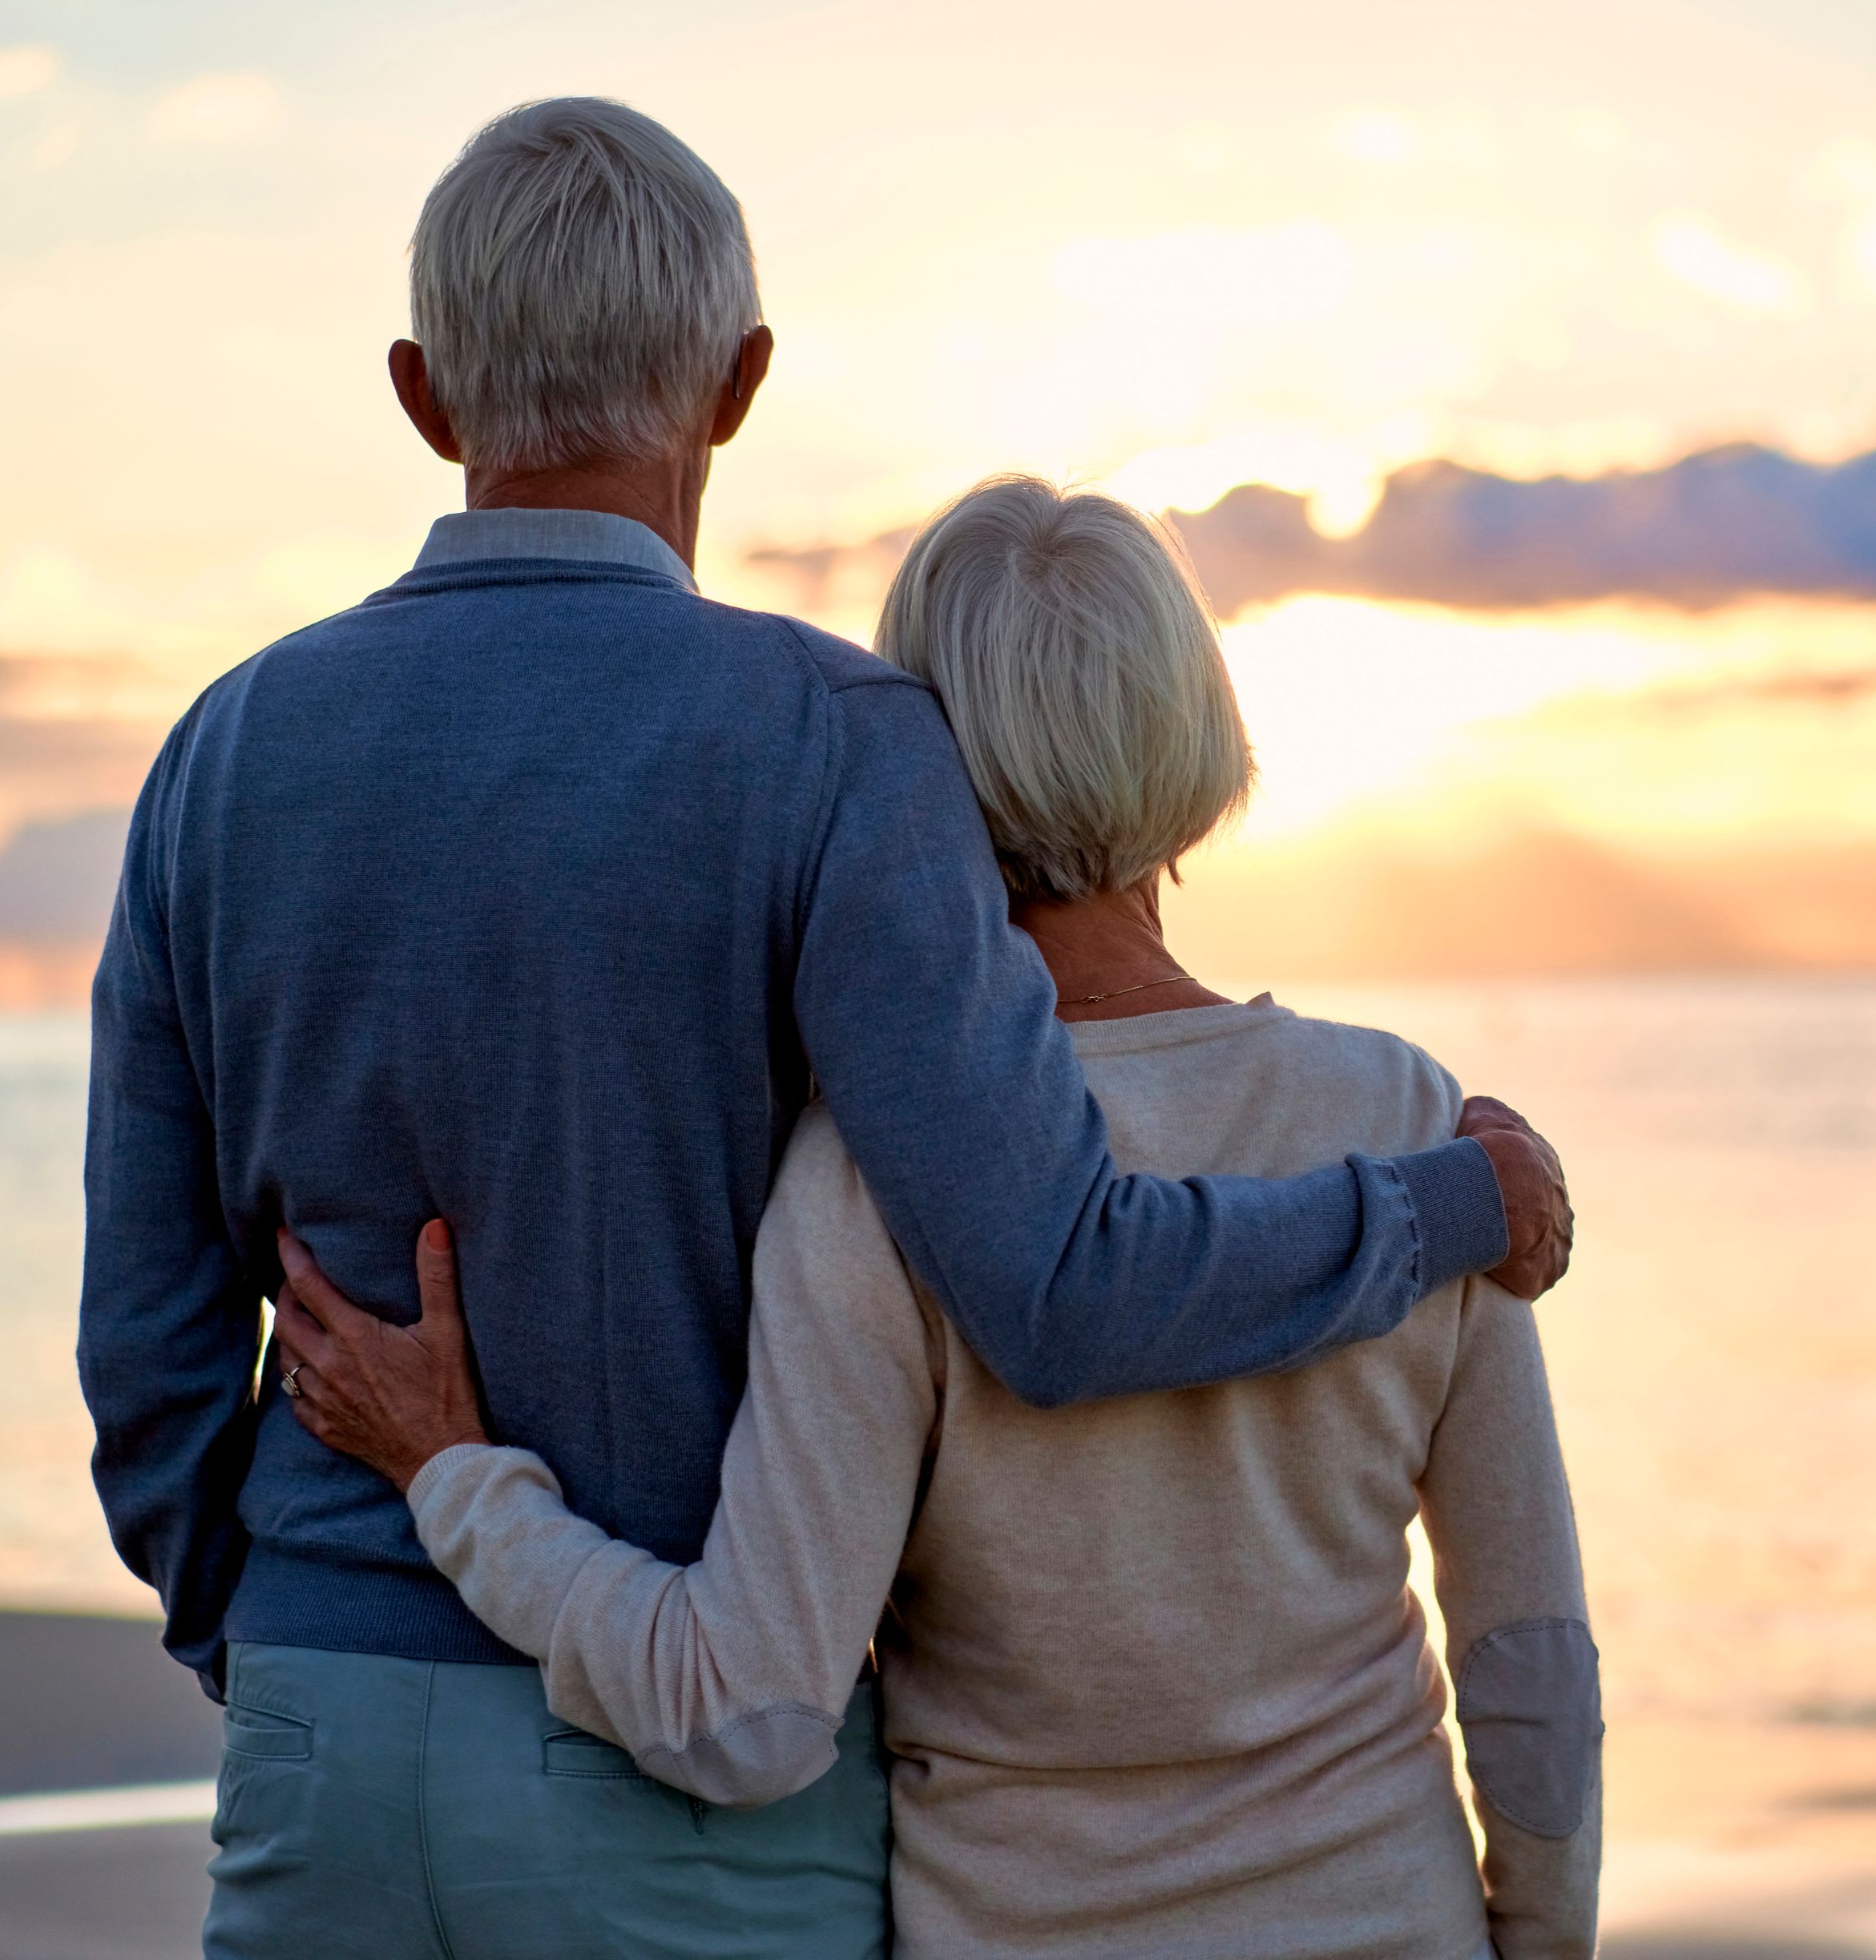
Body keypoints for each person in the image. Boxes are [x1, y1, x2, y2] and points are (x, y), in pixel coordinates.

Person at [79, 99, 1570, 1960]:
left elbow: (147, 1347)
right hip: (680, 1793)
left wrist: (272, 1641)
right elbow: (1050, 1280)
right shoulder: (832, 739)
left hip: (325, 1736)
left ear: (421, 394)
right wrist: (1439, 1205)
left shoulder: (217, 754)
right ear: (738, 383)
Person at [279, 479, 1600, 1959]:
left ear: (917, 766)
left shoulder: (871, 1177)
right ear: (1196, 723)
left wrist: (456, 1480)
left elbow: (745, 1708)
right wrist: (1541, 1936)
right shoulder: (1417, 1125)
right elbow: (1528, 1663)